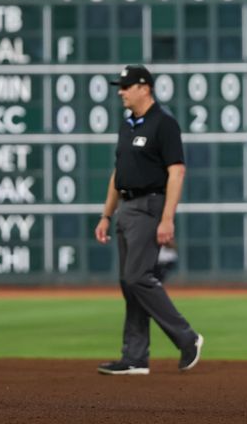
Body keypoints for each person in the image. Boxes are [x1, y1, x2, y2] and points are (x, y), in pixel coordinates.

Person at [95, 64, 203, 376]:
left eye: (126, 86)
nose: (120, 91)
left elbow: (177, 171)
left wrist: (167, 218)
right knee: (129, 283)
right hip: (125, 206)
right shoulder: (128, 125)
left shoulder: (164, 124)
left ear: (145, 87)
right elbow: (118, 174)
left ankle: (187, 338)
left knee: (138, 276)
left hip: (149, 205)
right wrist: (106, 214)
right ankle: (135, 357)